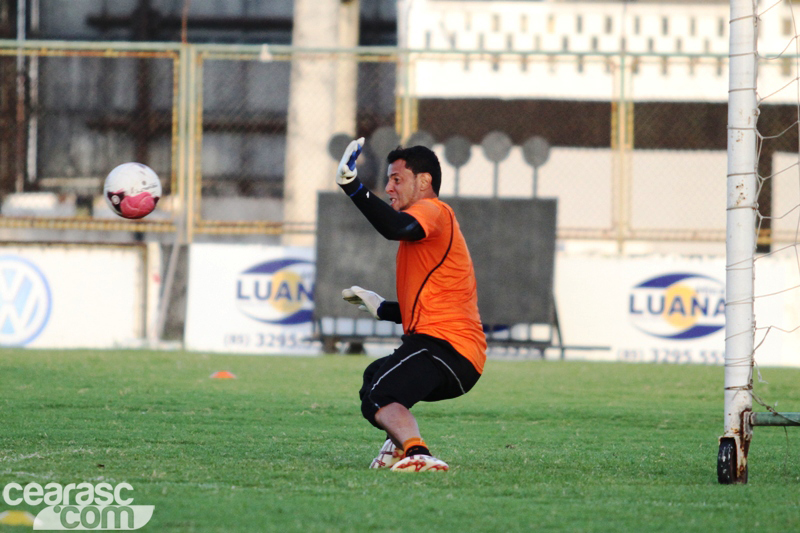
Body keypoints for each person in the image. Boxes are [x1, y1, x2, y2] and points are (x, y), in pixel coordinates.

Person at [335, 137, 487, 472]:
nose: (388, 187)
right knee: (374, 379)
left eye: (396, 179)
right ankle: (398, 445)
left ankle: (418, 452)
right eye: (388, 179)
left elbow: (395, 227)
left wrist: (353, 186)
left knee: (380, 391)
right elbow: (428, 304)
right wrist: (380, 308)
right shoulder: (426, 230)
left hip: (447, 348)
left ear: (424, 181)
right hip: (451, 351)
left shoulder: (433, 210)